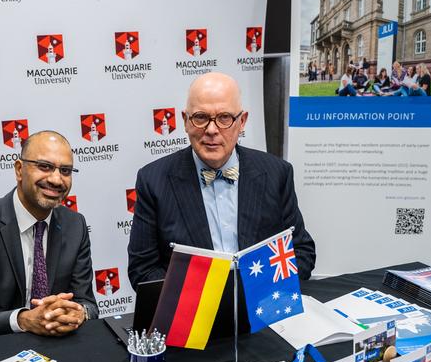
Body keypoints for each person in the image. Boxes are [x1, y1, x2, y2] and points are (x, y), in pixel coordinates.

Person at [127, 72, 315, 287]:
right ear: (185, 121)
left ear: (242, 121)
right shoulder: (153, 180)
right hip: (193, 314)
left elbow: (301, 251)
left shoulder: (276, 173)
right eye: (200, 117)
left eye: (225, 117)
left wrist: (261, 291)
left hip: (263, 307)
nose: (212, 130)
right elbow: (143, 271)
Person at [0, 130, 97, 341]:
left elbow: (88, 303)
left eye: (65, 170)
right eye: (45, 166)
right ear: (19, 169)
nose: (56, 179)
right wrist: (23, 320)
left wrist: (79, 312)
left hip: (56, 346)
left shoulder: (76, 225)